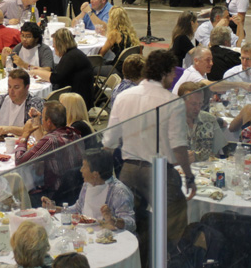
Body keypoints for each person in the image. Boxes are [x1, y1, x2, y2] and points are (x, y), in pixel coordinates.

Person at [108, 48, 195, 241]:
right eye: (172, 72)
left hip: (129, 170)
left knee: (129, 224)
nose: (174, 77)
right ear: (164, 73)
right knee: (175, 222)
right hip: (160, 173)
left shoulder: (124, 97)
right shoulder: (172, 102)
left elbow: (110, 140)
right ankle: (169, 257)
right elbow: (178, 146)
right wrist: (189, 176)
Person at [43, 147, 135, 231]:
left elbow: (131, 224)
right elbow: (78, 209)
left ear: (95, 174)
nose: (81, 170)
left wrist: (112, 220)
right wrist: (54, 208)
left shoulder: (119, 192)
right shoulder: (87, 185)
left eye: (84, 166)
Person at [14, 101, 84, 198]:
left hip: (55, 195)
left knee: (18, 195)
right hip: (75, 191)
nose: (42, 120)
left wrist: (25, 134)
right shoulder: (75, 133)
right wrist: (36, 118)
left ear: (49, 122)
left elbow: (19, 161)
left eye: (42, 117)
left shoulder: (51, 140)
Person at [31, 29, 94, 106]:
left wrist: (37, 72)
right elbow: (59, 72)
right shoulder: (73, 53)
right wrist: (41, 70)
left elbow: (56, 78)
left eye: (54, 43)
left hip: (77, 101)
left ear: (60, 44)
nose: (53, 46)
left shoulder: (70, 57)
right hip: (80, 95)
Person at [0, 69, 46, 137]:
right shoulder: (0, 100)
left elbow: (39, 130)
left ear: (27, 87)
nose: (11, 91)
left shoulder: (35, 103)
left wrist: (10, 129)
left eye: (16, 87)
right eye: (9, 86)